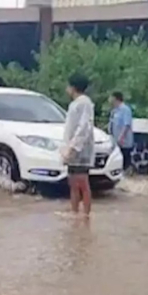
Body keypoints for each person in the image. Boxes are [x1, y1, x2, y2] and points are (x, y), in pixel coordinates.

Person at [61, 71, 95, 218]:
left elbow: (84, 126)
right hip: (73, 147)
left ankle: (86, 214)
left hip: (81, 150)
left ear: (73, 87)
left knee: (82, 182)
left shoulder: (84, 103)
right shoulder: (75, 104)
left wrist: (74, 147)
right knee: (73, 182)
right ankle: (74, 212)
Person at [108, 91, 134, 171]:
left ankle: (127, 170)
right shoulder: (114, 110)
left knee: (125, 155)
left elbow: (126, 124)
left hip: (124, 140)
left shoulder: (125, 109)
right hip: (115, 139)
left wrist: (121, 137)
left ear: (116, 98)